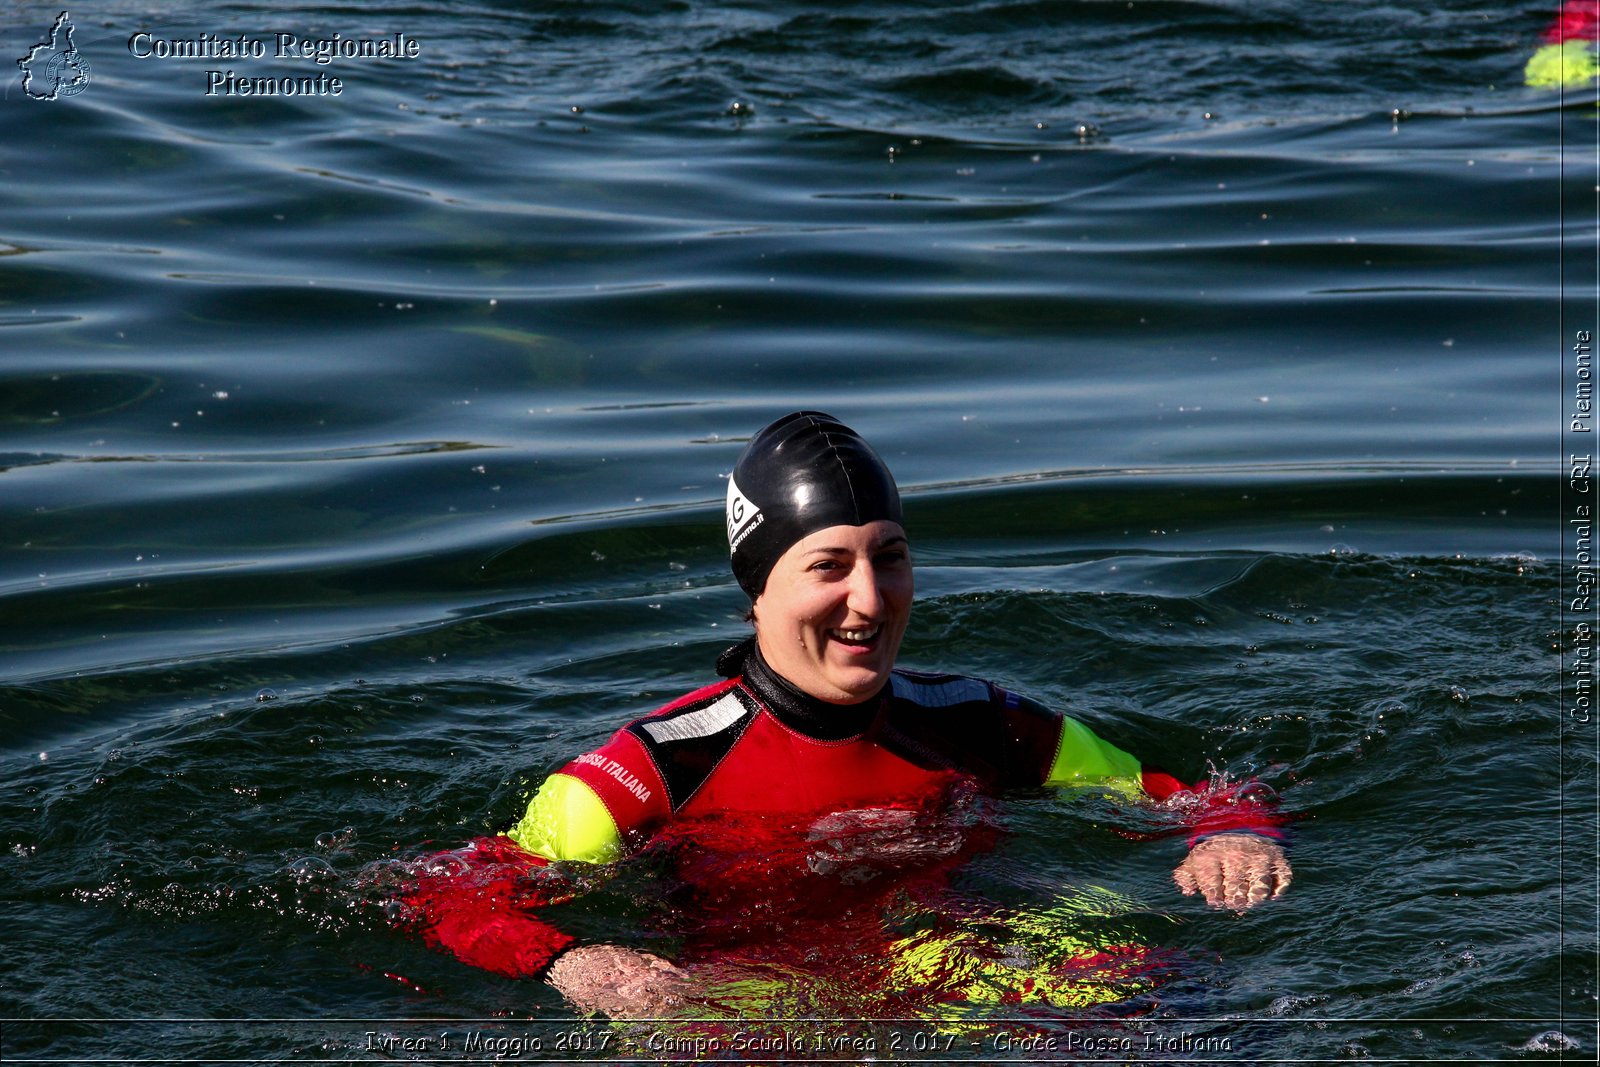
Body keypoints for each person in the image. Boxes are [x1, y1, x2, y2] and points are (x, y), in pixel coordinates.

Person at [401, 411, 1292, 1019]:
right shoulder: (654, 769)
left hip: (966, 973)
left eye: (891, 556)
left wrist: (1233, 832)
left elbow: (1188, 792)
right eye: (829, 565)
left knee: (1186, 1017)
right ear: (759, 589)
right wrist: (573, 961)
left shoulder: (978, 721)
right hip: (746, 1007)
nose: (870, 597)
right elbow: (445, 897)